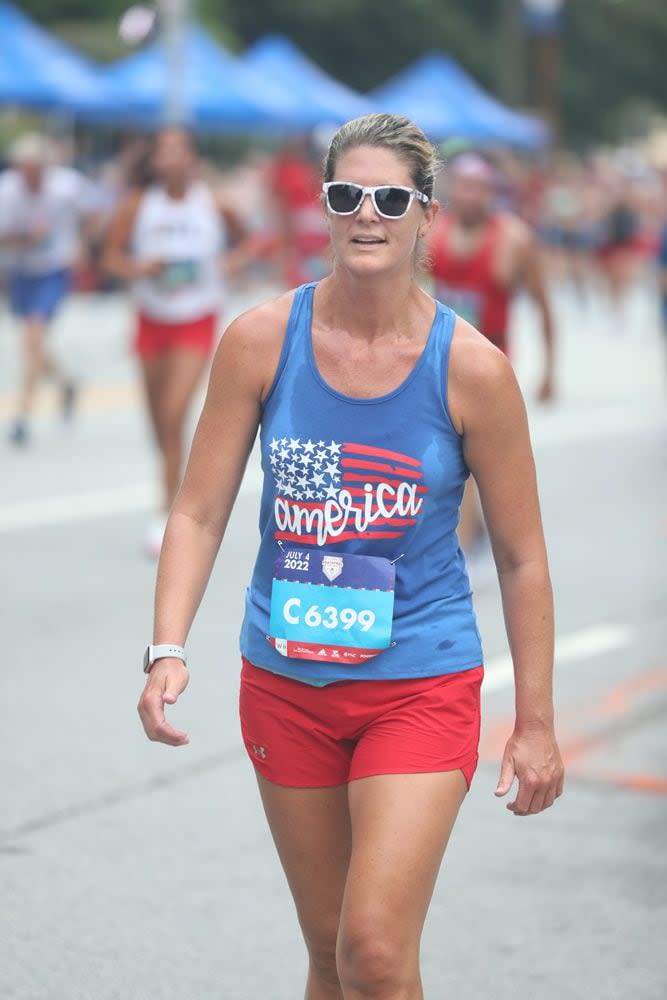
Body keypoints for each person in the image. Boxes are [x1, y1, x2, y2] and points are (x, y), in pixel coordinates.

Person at [137, 113, 564, 1000]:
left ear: (425, 217)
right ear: (324, 213)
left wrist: (532, 722)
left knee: (371, 948)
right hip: (285, 683)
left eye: (389, 198)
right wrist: (166, 648)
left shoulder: (471, 370)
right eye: (345, 195)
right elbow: (199, 508)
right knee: (331, 954)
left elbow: (521, 558)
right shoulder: (261, 339)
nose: (366, 214)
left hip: (419, 679)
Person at [103, 126, 250, 557]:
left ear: (192, 158)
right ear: (154, 161)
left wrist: (230, 262)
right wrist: (139, 269)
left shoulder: (214, 203)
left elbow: (249, 241)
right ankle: (169, 484)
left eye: (178, 150)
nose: (171, 159)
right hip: (151, 318)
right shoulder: (138, 205)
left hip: (196, 317)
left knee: (173, 413)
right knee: (157, 422)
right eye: (162, 151)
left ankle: (167, 513)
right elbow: (111, 257)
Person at [427, 151, 556, 560]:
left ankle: (482, 540)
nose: (470, 195)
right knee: (450, 452)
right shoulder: (434, 236)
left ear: (490, 192)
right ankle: (465, 542)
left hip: (491, 363)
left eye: (479, 188)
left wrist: (550, 372)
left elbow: (544, 306)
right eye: (463, 186)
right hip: (441, 359)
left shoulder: (514, 239)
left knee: (479, 458)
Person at [0, 133, 98, 445]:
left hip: (54, 269)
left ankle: (22, 415)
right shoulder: (8, 191)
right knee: (33, 343)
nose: (32, 178)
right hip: (23, 270)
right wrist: (27, 236)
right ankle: (67, 382)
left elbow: (96, 211)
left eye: (37, 171)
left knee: (32, 337)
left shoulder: (66, 186)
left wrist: (82, 242)